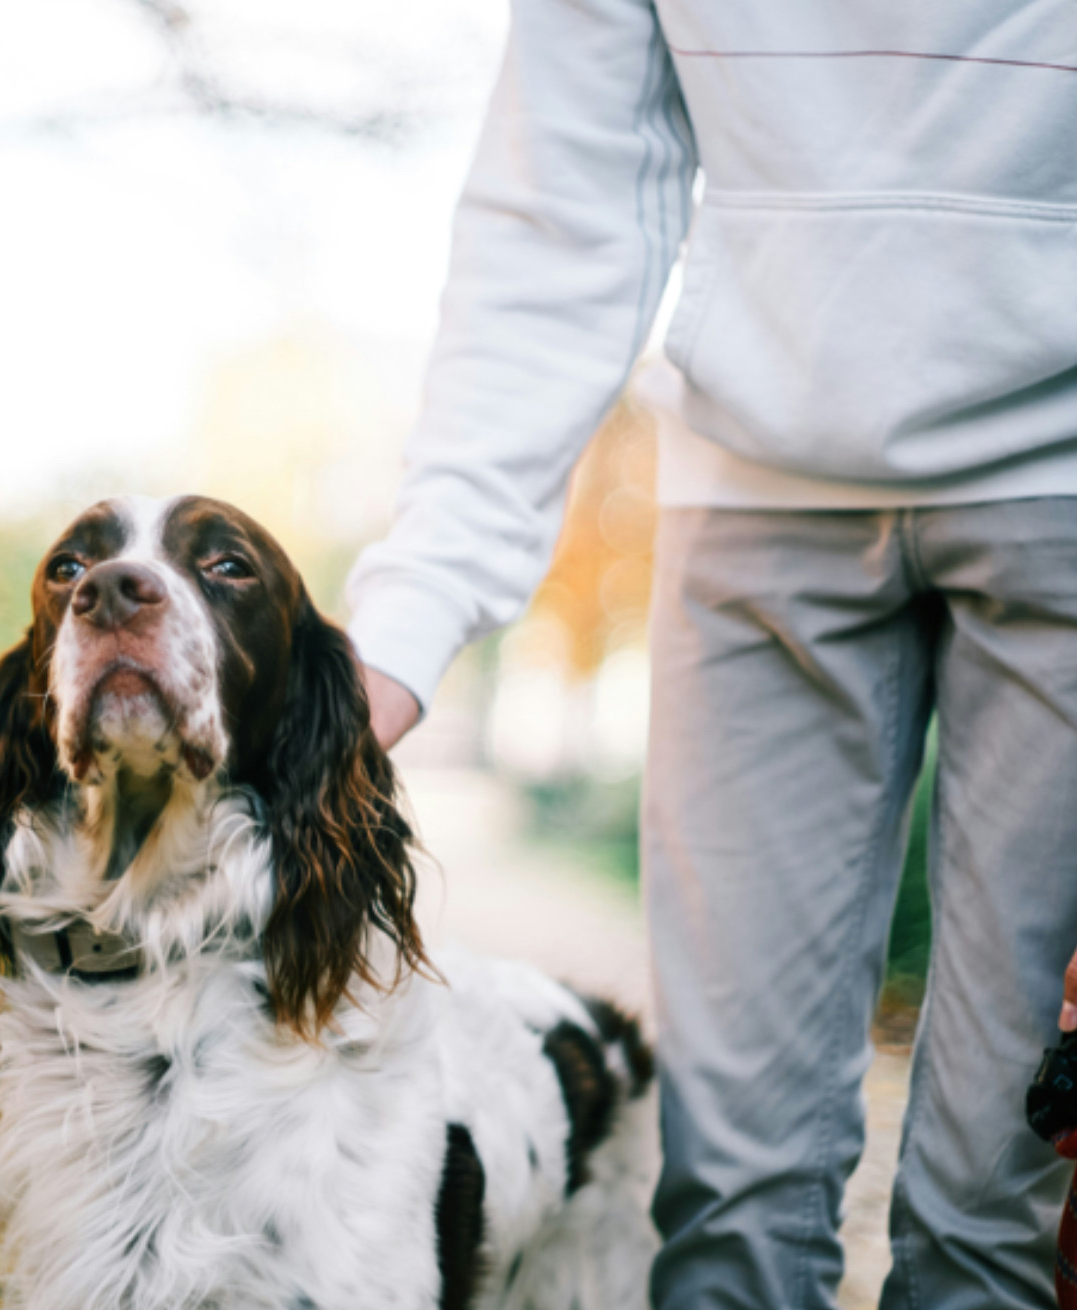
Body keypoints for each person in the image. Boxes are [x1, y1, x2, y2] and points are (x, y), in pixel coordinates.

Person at [344, 4, 1077, 1307]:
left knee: (993, 1210)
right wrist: (413, 609)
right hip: (753, 491)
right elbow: (559, 208)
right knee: (729, 1204)